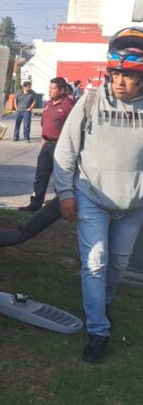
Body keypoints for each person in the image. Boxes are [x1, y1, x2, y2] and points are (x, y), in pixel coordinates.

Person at [53, 26, 143, 363]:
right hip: (91, 197)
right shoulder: (90, 101)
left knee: (117, 264)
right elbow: (65, 152)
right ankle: (98, 330)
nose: (120, 81)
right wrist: (65, 194)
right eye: (116, 73)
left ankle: (100, 305)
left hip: (134, 205)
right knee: (95, 263)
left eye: (129, 75)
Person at [19, 77, 76, 211]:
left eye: (53, 89)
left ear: (62, 90)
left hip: (61, 147)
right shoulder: (48, 104)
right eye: (49, 89)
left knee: (61, 178)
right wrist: (43, 139)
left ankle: (59, 207)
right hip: (47, 145)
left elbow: (74, 128)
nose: (50, 91)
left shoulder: (69, 105)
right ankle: (35, 204)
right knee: (41, 176)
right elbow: (44, 123)